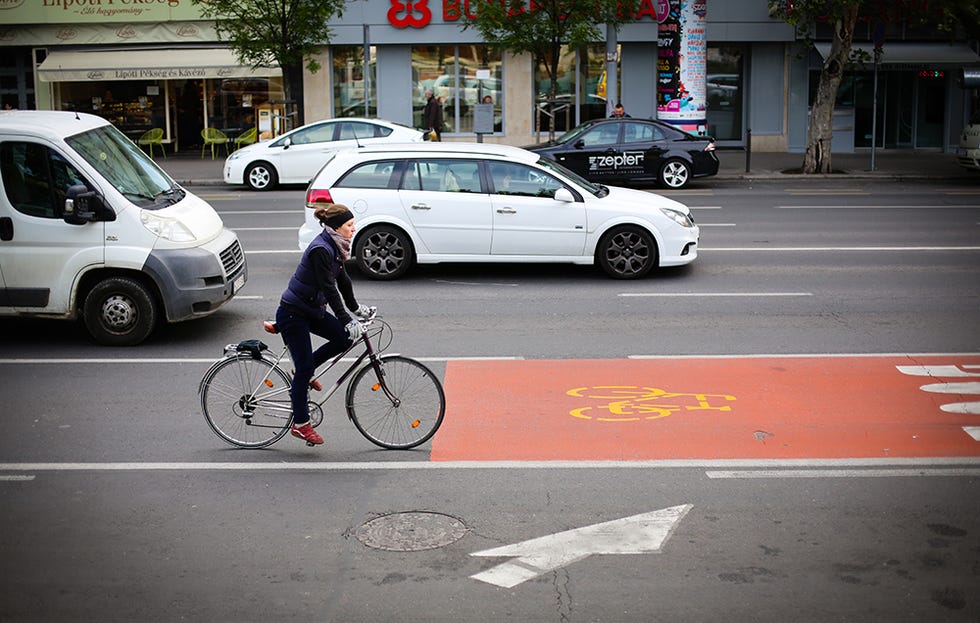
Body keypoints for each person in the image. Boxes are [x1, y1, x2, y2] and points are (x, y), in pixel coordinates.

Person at [276, 203, 372, 445]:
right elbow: (329, 289)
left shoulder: (334, 245)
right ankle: (300, 424)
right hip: (294, 313)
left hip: (311, 310)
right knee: (306, 367)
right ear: (336, 227)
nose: (353, 228)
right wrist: (347, 319)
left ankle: (302, 371)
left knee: (343, 338)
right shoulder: (321, 249)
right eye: (349, 225)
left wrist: (356, 309)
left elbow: (343, 280)